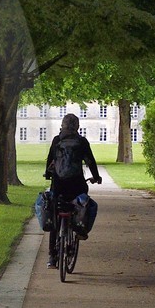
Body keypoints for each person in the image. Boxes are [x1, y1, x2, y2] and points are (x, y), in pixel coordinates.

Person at [43, 113, 102, 267]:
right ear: (77, 127)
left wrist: (48, 174)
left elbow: (50, 161)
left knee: (56, 215)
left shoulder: (57, 140)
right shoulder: (82, 142)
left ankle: (51, 257)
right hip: (77, 185)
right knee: (84, 203)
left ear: (62, 125)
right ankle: (80, 230)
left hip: (59, 185)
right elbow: (90, 161)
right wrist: (96, 177)